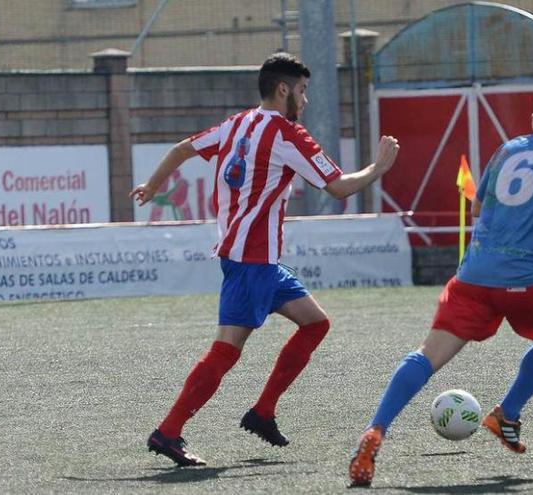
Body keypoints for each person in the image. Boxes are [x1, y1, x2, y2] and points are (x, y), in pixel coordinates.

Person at [130, 52, 400, 467]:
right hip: (251, 259)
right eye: (303, 91)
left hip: (260, 260)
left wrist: (151, 184)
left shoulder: (237, 123)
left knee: (316, 323)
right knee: (226, 350)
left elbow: (184, 148)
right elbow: (339, 188)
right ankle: (168, 432)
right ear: (283, 90)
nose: (305, 100)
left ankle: (263, 412)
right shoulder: (288, 135)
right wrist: (378, 168)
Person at [348, 79, 533, 487]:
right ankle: (507, 413)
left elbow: (479, 204)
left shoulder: (507, 149)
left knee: (427, 354)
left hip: (474, 275)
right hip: (529, 279)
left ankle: (376, 428)